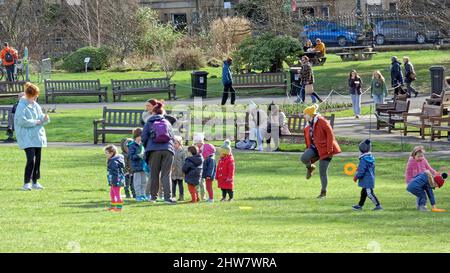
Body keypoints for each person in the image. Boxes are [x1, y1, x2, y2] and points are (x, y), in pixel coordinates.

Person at [14, 83, 50, 191]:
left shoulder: (35, 105)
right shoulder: (21, 106)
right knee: (31, 159)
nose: (36, 98)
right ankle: (26, 183)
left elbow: (40, 117)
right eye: (35, 96)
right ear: (29, 95)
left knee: (37, 159)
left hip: (37, 136)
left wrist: (45, 118)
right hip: (26, 137)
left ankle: (35, 181)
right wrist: (36, 122)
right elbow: (22, 121)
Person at [300, 104, 341, 199]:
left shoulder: (321, 121)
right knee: (304, 158)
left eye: (305, 114)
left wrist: (329, 149)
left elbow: (330, 134)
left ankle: (323, 192)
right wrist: (308, 148)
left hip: (326, 149)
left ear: (310, 115)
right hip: (315, 148)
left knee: (323, 172)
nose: (304, 116)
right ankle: (310, 168)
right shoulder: (309, 124)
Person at [142, 101, 177, 204]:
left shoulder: (149, 122)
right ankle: (168, 198)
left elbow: (144, 137)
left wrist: (147, 147)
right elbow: (172, 137)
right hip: (168, 150)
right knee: (166, 174)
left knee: (154, 174)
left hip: (153, 150)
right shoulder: (167, 122)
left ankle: (153, 197)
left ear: (153, 113)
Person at [352, 139, 383, 211]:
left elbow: (361, 171)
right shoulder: (370, 157)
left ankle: (378, 206)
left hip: (367, 180)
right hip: (369, 179)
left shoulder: (364, 159)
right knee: (363, 192)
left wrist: (356, 176)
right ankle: (360, 205)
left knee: (369, 193)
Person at [128, 128, 148, 202]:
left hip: (143, 166)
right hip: (136, 167)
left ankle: (143, 195)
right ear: (137, 136)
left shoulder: (143, 144)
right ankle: (138, 196)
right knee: (137, 182)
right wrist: (138, 156)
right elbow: (130, 156)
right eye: (141, 136)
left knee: (144, 182)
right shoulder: (132, 145)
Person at [104, 145, 126, 212]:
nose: (106, 155)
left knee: (117, 194)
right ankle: (113, 206)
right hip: (114, 180)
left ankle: (119, 208)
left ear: (112, 153)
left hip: (116, 181)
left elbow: (115, 173)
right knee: (112, 193)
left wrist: (114, 182)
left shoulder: (114, 161)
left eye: (107, 153)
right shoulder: (113, 160)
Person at [172, 136, 187, 201]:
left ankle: (181, 196)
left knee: (180, 184)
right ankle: (173, 196)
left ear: (179, 143)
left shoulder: (183, 151)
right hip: (173, 170)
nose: (174, 144)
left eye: (175, 143)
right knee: (173, 184)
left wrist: (184, 170)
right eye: (173, 143)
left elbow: (184, 161)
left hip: (180, 170)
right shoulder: (172, 150)